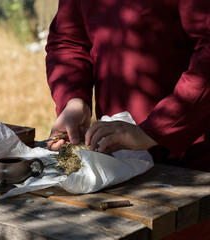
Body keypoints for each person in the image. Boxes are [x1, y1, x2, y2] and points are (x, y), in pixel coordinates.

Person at [45, 0, 210, 172]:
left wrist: (156, 129)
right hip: (116, 156)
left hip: (192, 160)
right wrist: (74, 100)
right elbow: (69, 41)